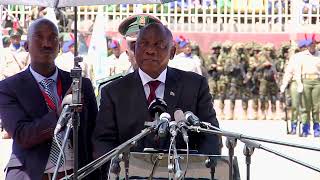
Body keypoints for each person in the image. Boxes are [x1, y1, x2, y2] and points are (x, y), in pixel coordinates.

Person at [93, 23, 221, 178]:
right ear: (134, 49)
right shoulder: (113, 91)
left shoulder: (194, 86)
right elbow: (103, 142)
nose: (150, 50)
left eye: (159, 45)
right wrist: (117, 173)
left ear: (172, 52)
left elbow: (210, 136)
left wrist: (198, 172)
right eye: (143, 44)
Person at [0, 18, 97, 180]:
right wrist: (61, 114)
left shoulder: (81, 84)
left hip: (77, 174)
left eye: (52, 37)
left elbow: (94, 132)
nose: (46, 43)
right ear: (26, 46)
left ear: (59, 46)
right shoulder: (8, 88)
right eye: (39, 37)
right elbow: (22, 135)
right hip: (33, 174)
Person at [295, 39, 320, 137]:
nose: (312, 47)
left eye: (313, 44)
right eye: (310, 45)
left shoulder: (319, 55)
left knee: (316, 107)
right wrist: (299, 83)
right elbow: (297, 71)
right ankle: (305, 128)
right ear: (307, 46)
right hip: (305, 81)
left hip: (317, 82)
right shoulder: (302, 56)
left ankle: (317, 128)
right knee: (305, 106)